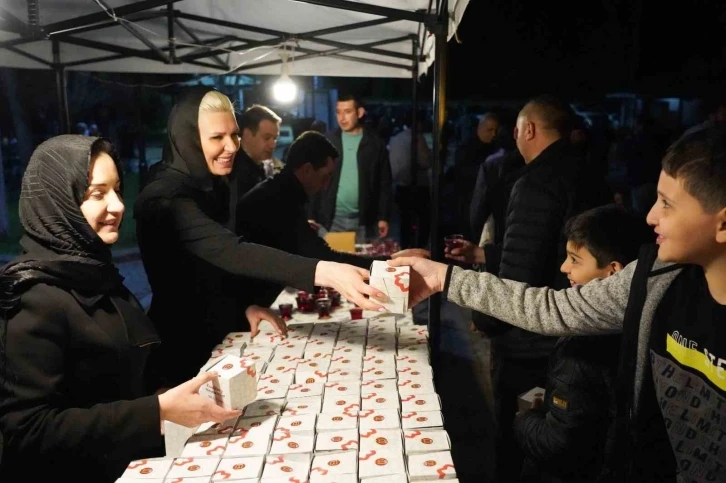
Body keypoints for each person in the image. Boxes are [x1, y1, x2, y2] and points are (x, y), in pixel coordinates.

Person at [390, 124, 726, 482]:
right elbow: (553, 309)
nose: (651, 216)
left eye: (667, 204)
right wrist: (444, 277)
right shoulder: (655, 276)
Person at [0, 135, 240, 481]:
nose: (117, 206)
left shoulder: (92, 271)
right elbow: (27, 431)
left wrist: (163, 396)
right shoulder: (31, 297)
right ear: (58, 201)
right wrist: (156, 411)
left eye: (117, 189)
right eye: (98, 193)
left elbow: (114, 378)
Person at [134, 87, 385, 392]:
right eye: (217, 138)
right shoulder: (165, 196)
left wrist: (242, 307)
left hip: (216, 333)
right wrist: (326, 271)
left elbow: (207, 274)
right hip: (179, 350)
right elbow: (231, 251)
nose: (231, 146)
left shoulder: (209, 185)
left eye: (235, 135)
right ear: (188, 137)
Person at [514, 205, 653, 483]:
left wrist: (524, 420)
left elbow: (559, 446)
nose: (564, 267)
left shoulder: (581, 348)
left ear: (614, 271)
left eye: (575, 260)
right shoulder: (645, 321)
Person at [236, 131, 428, 269]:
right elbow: (323, 257)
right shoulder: (279, 199)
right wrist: (391, 260)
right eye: (326, 176)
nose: (326, 185)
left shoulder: (280, 189)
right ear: (307, 169)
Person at [307, 93, 393, 242]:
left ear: (359, 113)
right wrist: (310, 215)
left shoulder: (375, 144)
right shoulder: (326, 141)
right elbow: (313, 179)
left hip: (363, 221)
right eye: (338, 112)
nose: (342, 118)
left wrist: (383, 217)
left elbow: (384, 183)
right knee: (332, 263)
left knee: (359, 264)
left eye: (347, 112)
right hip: (330, 219)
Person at [227, 104, 281, 231]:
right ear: (247, 134)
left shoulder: (264, 166)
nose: (273, 144)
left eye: (275, 138)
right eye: (267, 137)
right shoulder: (232, 170)